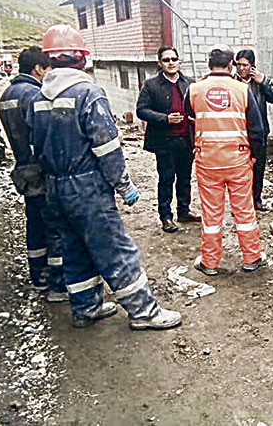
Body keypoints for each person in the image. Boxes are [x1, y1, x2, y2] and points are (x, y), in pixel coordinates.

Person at [28, 24, 181, 330]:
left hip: (54, 186)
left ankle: (85, 307)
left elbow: (35, 146)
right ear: (82, 58)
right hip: (85, 187)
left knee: (74, 249)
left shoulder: (39, 97)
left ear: (49, 60)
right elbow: (107, 148)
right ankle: (144, 312)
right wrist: (124, 185)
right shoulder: (88, 93)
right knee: (115, 249)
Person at [187, 45, 266, 275]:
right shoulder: (242, 90)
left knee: (211, 214)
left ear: (209, 65)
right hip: (238, 161)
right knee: (244, 211)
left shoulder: (194, 89)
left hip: (207, 161)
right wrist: (253, 156)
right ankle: (252, 258)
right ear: (231, 65)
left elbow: (189, 121)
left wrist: (197, 149)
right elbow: (257, 129)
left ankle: (210, 263)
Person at [0, 46, 67, 302]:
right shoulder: (35, 95)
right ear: (38, 68)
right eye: (48, 68)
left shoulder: (6, 95)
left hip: (24, 170)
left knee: (35, 226)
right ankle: (58, 286)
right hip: (42, 171)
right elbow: (46, 137)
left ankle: (39, 278)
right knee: (54, 227)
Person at [136, 46, 199, 233]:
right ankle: (166, 216)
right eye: (166, 60)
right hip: (164, 141)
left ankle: (184, 211)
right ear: (160, 63)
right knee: (166, 178)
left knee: (185, 177)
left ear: (179, 61)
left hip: (186, 139)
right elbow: (141, 110)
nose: (171, 63)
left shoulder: (190, 83)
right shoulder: (151, 85)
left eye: (174, 59)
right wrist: (165, 118)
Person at [234, 49, 273, 211]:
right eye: (239, 65)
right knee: (240, 169)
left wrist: (264, 81)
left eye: (245, 65)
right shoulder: (232, 82)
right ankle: (242, 201)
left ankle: (256, 199)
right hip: (238, 131)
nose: (241, 68)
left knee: (258, 168)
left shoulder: (258, 82)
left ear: (252, 66)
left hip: (259, 131)